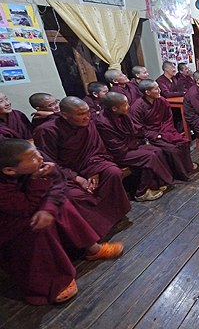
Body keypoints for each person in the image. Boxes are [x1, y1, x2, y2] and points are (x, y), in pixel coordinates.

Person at [0, 139, 123, 305]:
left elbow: (58, 183)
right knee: (36, 226)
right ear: (9, 170)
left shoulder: (37, 164)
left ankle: (93, 249)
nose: (40, 158)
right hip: (10, 223)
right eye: (33, 157)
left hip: (32, 204)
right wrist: (38, 182)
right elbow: (25, 208)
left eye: (37, 152)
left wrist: (47, 209)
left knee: (62, 204)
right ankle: (54, 282)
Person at [33, 97, 131, 237]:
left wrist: (94, 170)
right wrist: (76, 178)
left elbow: (97, 149)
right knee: (75, 195)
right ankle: (96, 228)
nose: (86, 117)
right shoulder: (46, 131)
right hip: (63, 173)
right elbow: (50, 163)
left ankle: (114, 217)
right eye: (80, 114)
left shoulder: (88, 123)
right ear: (65, 115)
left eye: (87, 112)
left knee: (113, 172)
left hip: (90, 164)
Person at [96, 92, 174, 201]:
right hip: (118, 153)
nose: (129, 107)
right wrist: (135, 143)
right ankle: (141, 192)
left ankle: (156, 184)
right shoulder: (103, 122)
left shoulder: (122, 114)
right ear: (114, 108)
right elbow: (115, 146)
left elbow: (133, 130)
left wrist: (143, 138)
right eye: (125, 104)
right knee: (150, 156)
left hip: (129, 145)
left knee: (157, 150)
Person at [129, 80, 196, 181]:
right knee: (172, 149)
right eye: (156, 89)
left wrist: (167, 131)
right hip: (150, 136)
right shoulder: (137, 107)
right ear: (147, 92)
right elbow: (138, 129)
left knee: (183, 141)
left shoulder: (162, 101)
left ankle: (187, 166)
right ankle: (178, 173)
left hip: (165, 130)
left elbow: (168, 118)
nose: (159, 90)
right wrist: (157, 135)